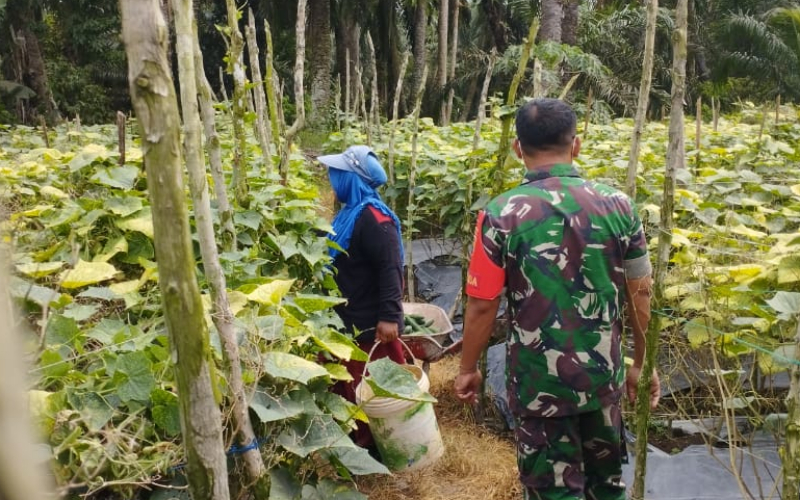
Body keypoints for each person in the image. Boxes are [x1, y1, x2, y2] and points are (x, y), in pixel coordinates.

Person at [454, 98, 660, 500]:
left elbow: (482, 303)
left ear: (518, 148)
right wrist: (642, 362)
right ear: (576, 145)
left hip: (538, 384)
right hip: (603, 377)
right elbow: (641, 292)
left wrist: (467, 369)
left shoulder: (500, 214)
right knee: (606, 487)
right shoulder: (620, 206)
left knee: (552, 492)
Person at [318, 145, 406, 449]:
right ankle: (355, 444)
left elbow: (391, 268)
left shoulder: (375, 219)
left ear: (351, 179)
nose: (332, 181)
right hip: (346, 320)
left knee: (369, 390)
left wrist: (389, 316)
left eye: (336, 174)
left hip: (368, 325)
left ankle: (375, 450)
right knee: (348, 387)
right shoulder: (349, 214)